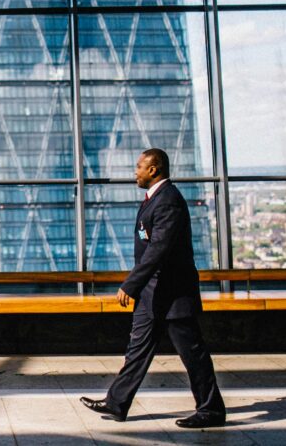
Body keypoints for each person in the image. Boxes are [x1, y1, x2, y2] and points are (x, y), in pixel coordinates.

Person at [81, 148, 226, 429]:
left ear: (154, 169)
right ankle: (117, 402)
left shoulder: (168, 201)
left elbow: (158, 249)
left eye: (139, 167)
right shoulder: (155, 199)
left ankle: (211, 410)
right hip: (153, 294)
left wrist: (130, 284)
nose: (135, 172)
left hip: (172, 295)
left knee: (193, 354)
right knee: (137, 350)